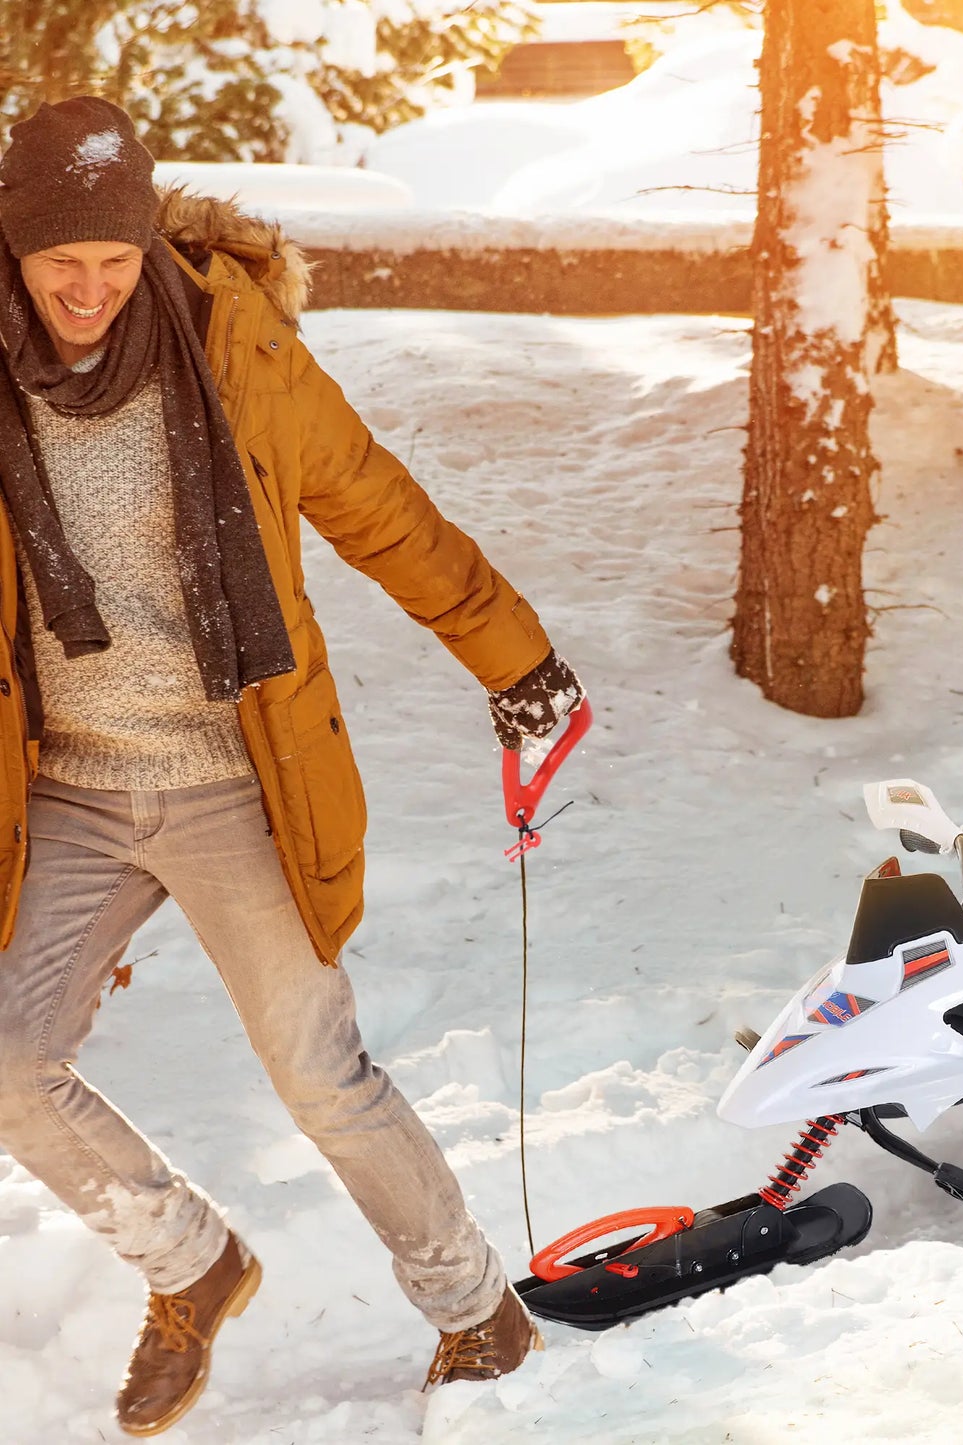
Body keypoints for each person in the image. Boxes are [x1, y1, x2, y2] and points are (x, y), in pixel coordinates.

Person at [0, 97, 584, 1436]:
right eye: (56, 267)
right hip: (70, 786)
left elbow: (377, 504)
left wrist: (514, 657)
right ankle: (192, 1264)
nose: (89, 293)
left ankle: (474, 1311)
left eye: (114, 260)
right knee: (5, 1057)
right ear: (14, 258)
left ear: (150, 242)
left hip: (232, 776)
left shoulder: (234, 352)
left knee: (321, 1071)